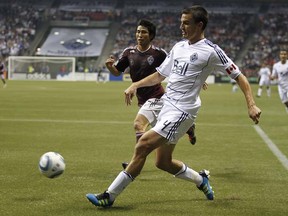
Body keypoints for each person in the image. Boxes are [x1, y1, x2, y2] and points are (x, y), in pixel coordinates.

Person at [86, 5, 261, 207]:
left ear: (200, 24)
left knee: (143, 145)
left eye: (186, 23)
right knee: (163, 162)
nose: (181, 27)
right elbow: (160, 75)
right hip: (167, 105)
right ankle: (201, 179)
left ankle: (109, 195)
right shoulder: (179, 47)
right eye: (181, 22)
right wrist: (136, 84)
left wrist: (251, 105)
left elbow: (240, 77)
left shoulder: (212, 51)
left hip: (183, 111)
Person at [105, 19, 197, 169]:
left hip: (157, 98)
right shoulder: (129, 53)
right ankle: (189, 128)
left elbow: (178, 66)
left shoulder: (159, 54)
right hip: (144, 101)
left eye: (144, 32)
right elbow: (117, 72)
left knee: (138, 124)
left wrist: (193, 77)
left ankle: (136, 161)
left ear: (151, 35)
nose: (139, 35)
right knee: (159, 134)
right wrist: (110, 67)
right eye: (138, 31)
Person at [270, 49, 288, 113]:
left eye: (285, 54)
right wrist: (272, 77)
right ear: (279, 56)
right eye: (282, 54)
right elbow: (273, 75)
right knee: (285, 102)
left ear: (287, 55)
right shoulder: (276, 65)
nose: (283, 56)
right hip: (281, 86)